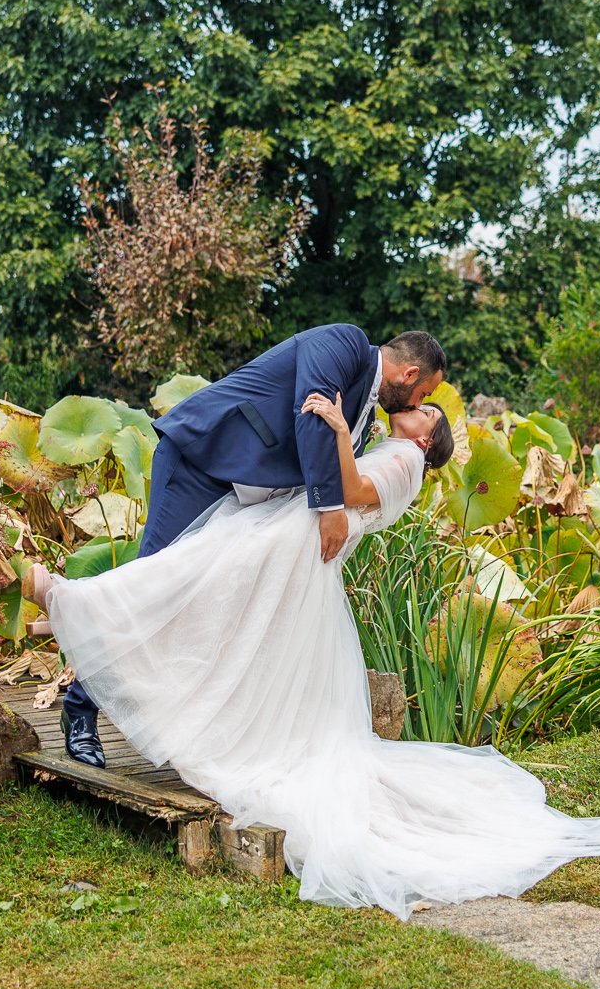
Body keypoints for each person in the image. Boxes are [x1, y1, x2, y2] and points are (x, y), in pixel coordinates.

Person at [22, 389, 600, 920]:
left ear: (429, 437)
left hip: (294, 545)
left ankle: (72, 606)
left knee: (196, 587)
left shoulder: (406, 461)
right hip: (293, 542)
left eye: (425, 413)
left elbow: (357, 488)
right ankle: (81, 614)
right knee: (197, 591)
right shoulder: (398, 449)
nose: (412, 412)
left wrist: (339, 431)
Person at [56, 325, 446, 768]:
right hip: (205, 461)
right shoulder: (345, 343)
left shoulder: (367, 411)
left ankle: (168, 714)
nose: (418, 404)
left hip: (246, 497)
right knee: (154, 584)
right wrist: (330, 508)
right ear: (409, 373)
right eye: (423, 394)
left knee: (198, 601)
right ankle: (80, 709)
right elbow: (310, 413)